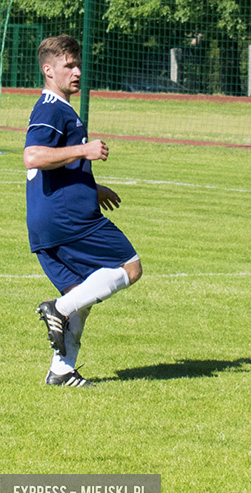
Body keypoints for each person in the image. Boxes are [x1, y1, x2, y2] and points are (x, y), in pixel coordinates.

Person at [24, 35, 142, 387]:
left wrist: (91, 186)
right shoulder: (51, 108)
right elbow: (33, 156)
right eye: (68, 66)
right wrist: (85, 151)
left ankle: (61, 370)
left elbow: (54, 163)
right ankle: (56, 309)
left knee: (82, 293)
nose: (76, 71)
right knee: (130, 268)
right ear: (48, 70)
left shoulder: (60, 108)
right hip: (68, 220)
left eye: (78, 64)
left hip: (46, 220)